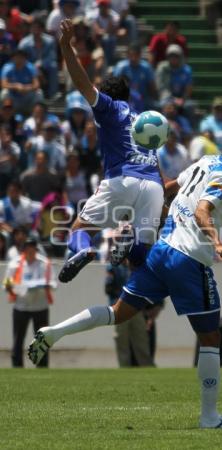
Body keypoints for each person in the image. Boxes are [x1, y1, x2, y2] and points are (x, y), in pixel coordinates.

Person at [29, 131, 222, 429]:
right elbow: (203, 210)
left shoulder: (205, 162)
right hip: (188, 258)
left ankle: (54, 332)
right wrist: (216, 243)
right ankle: (210, 418)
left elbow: (169, 188)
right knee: (211, 338)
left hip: (162, 251)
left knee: (118, 313)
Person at [56, 19, 164, 284]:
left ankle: (84, 249)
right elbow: (160, 174)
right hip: (153, 186)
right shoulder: (143, 121)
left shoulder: (110, 108)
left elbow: (82, 83)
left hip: (121, 178)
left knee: (79, 230)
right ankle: (131, 244)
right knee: (139, 257)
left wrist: (66, 46)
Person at [3, 237, 56, 367]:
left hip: (40, 306)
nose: (30, 251)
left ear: (36, 249)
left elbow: (54, 283)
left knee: (41, 339)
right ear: (24, 249)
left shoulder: (45, 263)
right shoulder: (14, 264)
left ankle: (42, 365)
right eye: (27, 248)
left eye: (33, 248)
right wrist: (14, 286)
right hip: (21, 306)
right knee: (18, 338)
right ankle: (17, 366)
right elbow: (6, 284)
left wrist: (45, 285)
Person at [105, 257, 154, 367]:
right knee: (122, 340)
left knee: (142, 340)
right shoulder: (113, 267)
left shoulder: (136, 267)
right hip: (120, 308)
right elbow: (108, 288)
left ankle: (148, 367)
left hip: (136, 309)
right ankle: (124, 367)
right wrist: (125, 297)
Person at [18, 15, 59, 99]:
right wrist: (34, 68)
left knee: (53, 66)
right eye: (33, 28)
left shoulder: (50, 41)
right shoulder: (24, 43)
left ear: (42, 29)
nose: (36, 30)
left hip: (45, 65)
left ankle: (53, 95)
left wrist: (40, 64)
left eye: (38, 28)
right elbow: (20, 59)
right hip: (28, 66)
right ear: (30, 29)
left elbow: (52, 57)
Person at [113, 42, 156, 111]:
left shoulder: (146, 67)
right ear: (127, 55)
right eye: (131, 55)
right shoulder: (121, 67)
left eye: (136, 55)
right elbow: (115, 85)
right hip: (125, 101)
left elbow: (152, 87)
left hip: (144, 100)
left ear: (140, 55)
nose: (133, 58)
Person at [0, 48, 43, 115]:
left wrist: (26, 88)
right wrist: (16, 86)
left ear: (25, 59)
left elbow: (37, 85)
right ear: (12, 58)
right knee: (4, 93)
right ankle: (7, 116)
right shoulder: (7, 67)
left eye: (21, 57)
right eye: (17, 57)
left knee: (39, 93)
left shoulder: (30, 67)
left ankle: (36, 115)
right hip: (13, 99)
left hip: (27, 97)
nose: (19, 59)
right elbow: (3, 85)